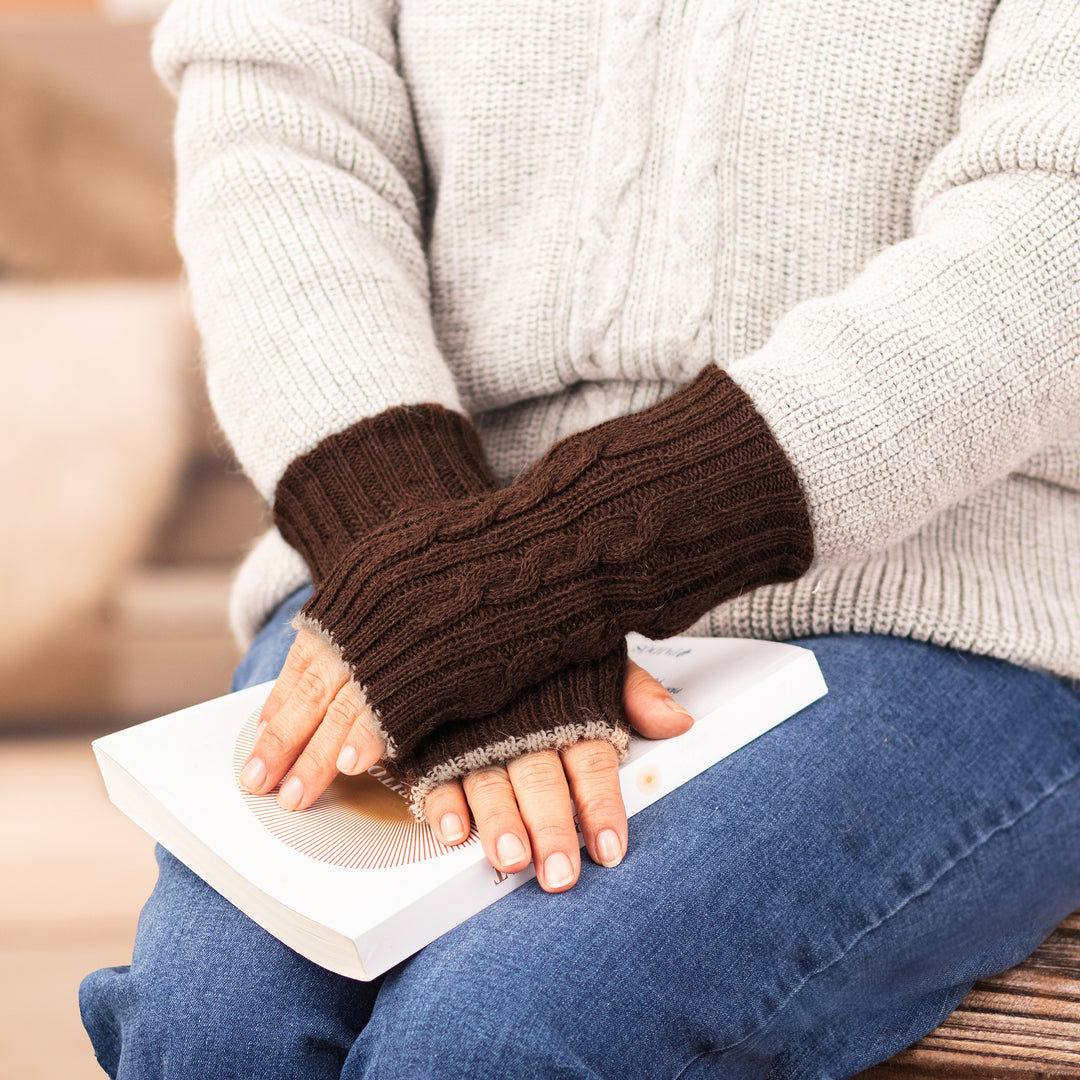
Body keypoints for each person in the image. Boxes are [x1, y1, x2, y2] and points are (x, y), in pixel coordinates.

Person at [81, 0, 1080, 1076]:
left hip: (950, 588)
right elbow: (278, 128)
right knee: (212, 1032)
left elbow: (1046, 234)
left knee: (493, 1042)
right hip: (397, 548)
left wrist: (534, 579)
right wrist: (440, 581)